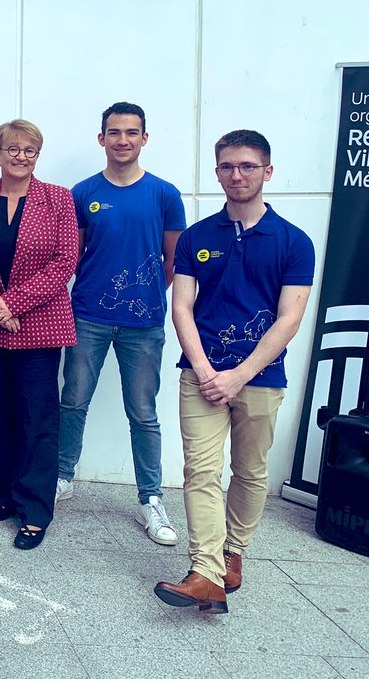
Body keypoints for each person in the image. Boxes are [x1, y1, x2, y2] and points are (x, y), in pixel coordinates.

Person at [155, 130, 313, 613]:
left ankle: (233, 552)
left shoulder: (294, 242)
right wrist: (205, 370)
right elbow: (182, 307)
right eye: (226, 166)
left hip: (260, 377)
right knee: (200, 471)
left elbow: (290, 318)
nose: (236, 175)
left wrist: (238, 375)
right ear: (217, 171)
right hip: (200, 374)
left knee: (249, 471)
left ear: (267, 171)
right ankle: (205, 572)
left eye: (247, 166)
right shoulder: (198, 237)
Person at [56, 102, 186, 546]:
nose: (123, 140)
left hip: (144, 323)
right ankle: (61, 477)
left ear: (144, 138)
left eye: (132, 132)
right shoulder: (82, 192)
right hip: (88, 316)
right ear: (102, 139)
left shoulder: (165, 194)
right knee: (72, 401)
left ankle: (150, 499)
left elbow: (175, 259)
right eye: (114, 132)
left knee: (144, 414)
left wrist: (143, 295)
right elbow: (71, 256)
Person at [0, 120, 78, 549]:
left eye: (29, 150)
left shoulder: (58, 199)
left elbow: (64, 261)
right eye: (12, 148)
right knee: (2, 412)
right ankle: (4, 494)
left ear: (37, 156)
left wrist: (14, 304)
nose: (20, 156)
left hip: (39, 327)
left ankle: (35, 508)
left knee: (37, 418)